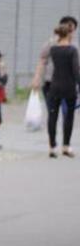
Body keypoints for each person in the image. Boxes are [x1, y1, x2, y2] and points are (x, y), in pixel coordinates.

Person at [46, 22, 80, 158]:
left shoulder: (53, 49)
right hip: (69, 87)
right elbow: (76, 70)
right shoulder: (72, 50)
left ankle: (52, 147)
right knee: (68, 117)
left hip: (55, 85)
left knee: (52, 116)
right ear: (69, 33)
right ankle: (66, 146)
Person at [31, 16, 78, 108]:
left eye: (72, 29)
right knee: (52, 110)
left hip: (70, 84)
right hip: (51, 82)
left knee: (68, 112)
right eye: (67, 28)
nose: (70, 32)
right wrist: (37, 78)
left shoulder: (76, 45)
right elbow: (42, 60)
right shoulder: (51, 43)